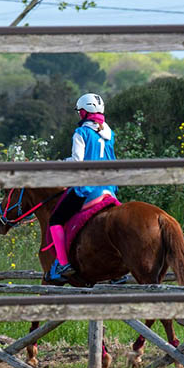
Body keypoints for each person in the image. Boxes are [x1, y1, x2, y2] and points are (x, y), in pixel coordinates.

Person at [46, 92, 117, 283]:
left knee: (56, 219)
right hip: (109, 189)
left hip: (88, 190)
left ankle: (62, 263)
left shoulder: (81, 133)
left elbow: (77, 161)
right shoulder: (110, 134)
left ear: (84, 113)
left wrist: (61, 163)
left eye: (80, 112)